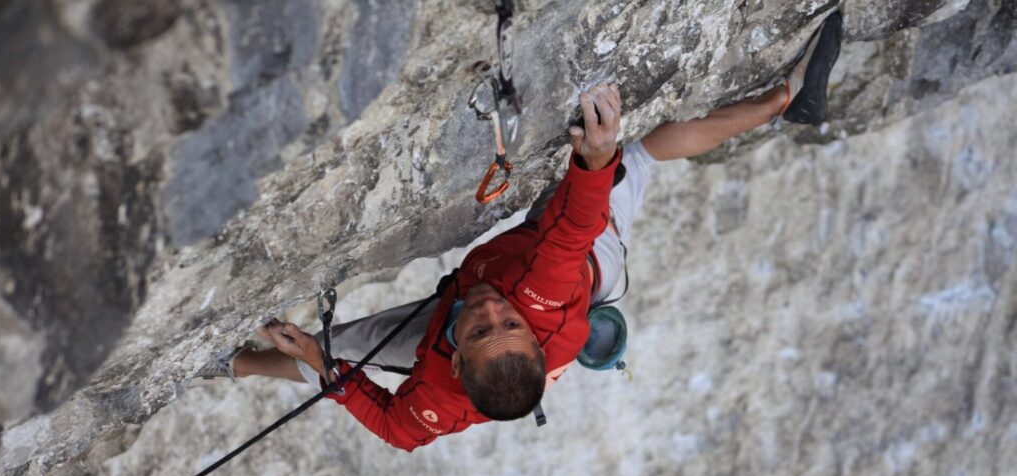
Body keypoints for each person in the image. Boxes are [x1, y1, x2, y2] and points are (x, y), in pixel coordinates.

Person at [194, 12, 842, 451]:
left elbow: (394, 427)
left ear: (451, 358)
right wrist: (594, 159)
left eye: (480, 329)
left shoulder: (441, 398)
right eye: (510, 325)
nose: (494, 311)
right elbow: (569, 233)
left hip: (488, 317)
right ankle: (786, 101)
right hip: (590, 260)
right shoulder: (539, 297)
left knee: (334, 349)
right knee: (639, 156)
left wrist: (317, 356)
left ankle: (241, 364)